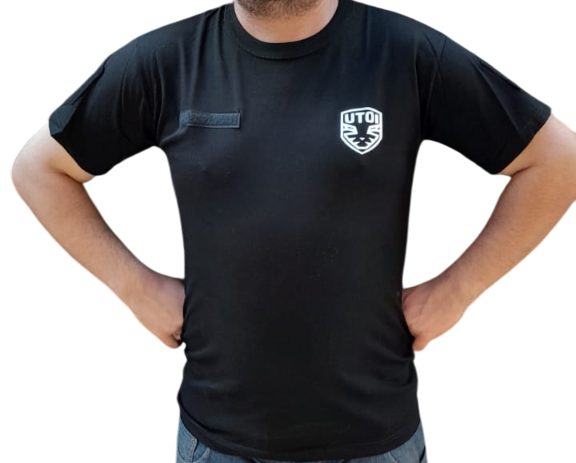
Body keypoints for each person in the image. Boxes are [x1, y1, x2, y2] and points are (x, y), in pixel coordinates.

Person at [11, 0, 576, 462]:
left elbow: (557, 159)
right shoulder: (166, 62)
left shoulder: (405, 54)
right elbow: (40, 170)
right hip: (217, 438)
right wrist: (135, 286)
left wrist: (458, 290)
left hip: (375, 437)